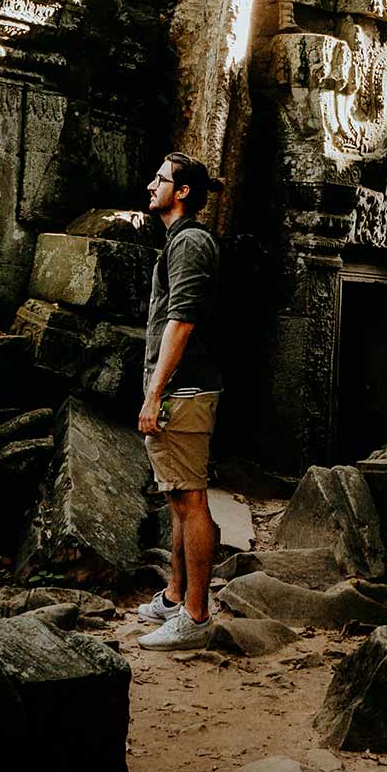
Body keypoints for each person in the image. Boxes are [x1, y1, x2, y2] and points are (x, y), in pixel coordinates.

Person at [135, 152, 223, 651]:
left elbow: (182, 321)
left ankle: (195, 616)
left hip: (181, 392)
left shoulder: (189, 242)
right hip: (179, 388)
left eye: (160, 179)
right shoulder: (179, 241)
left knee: (190, 502)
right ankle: (174, 597)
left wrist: (155, 393)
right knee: (178, 499)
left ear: (182, 192)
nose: (151, 185)